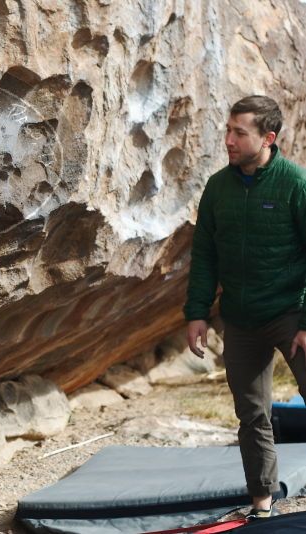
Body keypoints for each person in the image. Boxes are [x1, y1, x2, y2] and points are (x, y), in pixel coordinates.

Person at [184, 95, 306, 520]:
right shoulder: (218, 187)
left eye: (240, 133)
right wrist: (197, 313)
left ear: (268, 138)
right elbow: (204, 255)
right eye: (228, 131)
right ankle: (262, 501)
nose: (229, 140)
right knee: (252, 414)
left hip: (291, 312)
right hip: (239, 318)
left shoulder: (295, 183)